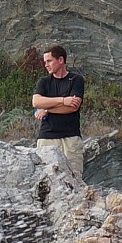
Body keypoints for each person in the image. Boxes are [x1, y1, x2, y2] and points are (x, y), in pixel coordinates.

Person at [31, 45, 86, 180]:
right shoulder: (43, 82)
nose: (46, 65)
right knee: (46, 181)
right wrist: (63, 100)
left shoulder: (76, 80)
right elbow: (36, 102)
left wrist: (47, 108)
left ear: (60, 60)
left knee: (74, 178)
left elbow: (72, 107)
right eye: (45, 62)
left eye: (49, 61)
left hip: (70, 138)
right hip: (47, 137)